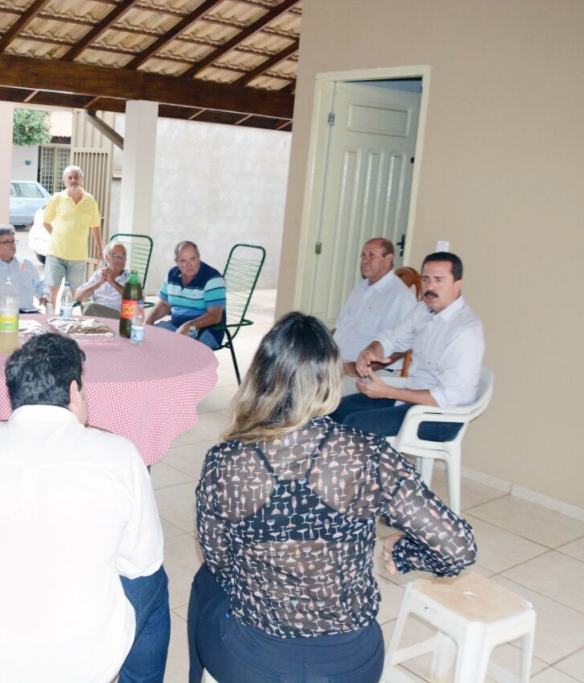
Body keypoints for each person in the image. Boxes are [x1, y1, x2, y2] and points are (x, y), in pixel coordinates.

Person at [188, 312, 477, 683]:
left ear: (259, 377)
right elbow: (458, 549)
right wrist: (404, 552)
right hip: (352, 664)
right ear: (329, 379)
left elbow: (219, 561)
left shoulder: (226, 461)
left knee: (205, 584)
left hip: (255, 661)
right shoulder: (368, 454)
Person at [0, 333, 169, 683]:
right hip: (80, 666)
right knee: (154, 582)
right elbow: (142, 562)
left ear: (13, 393)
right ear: (75, 391)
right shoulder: (121, 455)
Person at [330, 252, 485, 442]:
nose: (430, 287)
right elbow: (392, 338)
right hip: (411, 398)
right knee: (336, 408)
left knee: (355, 424)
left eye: (439, 280)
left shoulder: (464, 331)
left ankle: (366, 471)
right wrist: (371, 351)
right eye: (426, 279)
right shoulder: (423, 311)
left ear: (457, 285)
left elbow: (444, 399)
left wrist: (387, 391)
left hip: (440, 417)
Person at [333, 238, 417, 376]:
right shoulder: (359, 289)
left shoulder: (401, 296)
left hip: (371, 374)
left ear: (388, 259)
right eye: (363, 255)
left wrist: (360, 368)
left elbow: (403, 346)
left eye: (371, 255)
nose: (365, 260)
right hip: (337, 366)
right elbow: (339, 327)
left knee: (314, 394)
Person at [146, 241, 226, 350]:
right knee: (145, 339)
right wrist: (148, 321)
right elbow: (164, 304)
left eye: (193, 259)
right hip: (175, 327)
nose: (189, 265)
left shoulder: (212, 278)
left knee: (174, 349)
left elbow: (215, 316)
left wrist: (189, 326)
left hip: (206, 332)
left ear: (198, 257)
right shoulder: (172, 275)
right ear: (177, 262)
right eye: (183, 261)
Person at [42, 165, 103, 301]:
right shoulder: (57, 199)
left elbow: (95, 226)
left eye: (76, 177)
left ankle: (71, 321)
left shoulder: (90, 200)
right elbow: (46, 222)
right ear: (64, 181)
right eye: (70, 177)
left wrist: (100, 250)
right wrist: (57, 236)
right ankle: (49, 319)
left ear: (81, 179)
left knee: (76, 294)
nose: (73, 180)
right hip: (56, 254)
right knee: (51, 291)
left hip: (78, 257)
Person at [0, 225, 49, 313]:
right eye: (6, 243)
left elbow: (40, 283)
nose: (11, 246)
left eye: (13, 242)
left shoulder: (26, 263)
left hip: (28, 312)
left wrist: (45, 294)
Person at [74, 240, 130, 319]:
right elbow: (78, 297)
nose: (119, 259)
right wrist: (99, 283)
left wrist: (113, 283)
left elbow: (139, 299)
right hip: (97, 317)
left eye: (123, 255)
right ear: (107, 258)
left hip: (120, 319)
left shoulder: (131, 277)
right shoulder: (99, 275)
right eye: (114, 255)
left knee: (90, 308)